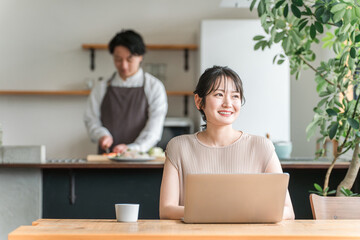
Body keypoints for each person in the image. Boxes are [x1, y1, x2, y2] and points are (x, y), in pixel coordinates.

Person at [159, 66, 295, 220]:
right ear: (199, 101)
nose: (228, 103)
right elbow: (166, 210)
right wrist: (226, 213)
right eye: (219, 94)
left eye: (235, 96)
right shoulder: (178, 147)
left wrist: (234, 213)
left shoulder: (262, 147)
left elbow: (288, 212)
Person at [84, 30, 168, 154]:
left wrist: (134, 148)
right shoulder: (101, 88)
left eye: (129, 59)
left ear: (140, 57)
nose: (123, 66)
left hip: (141, 158)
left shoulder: (154, 86)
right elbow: (91, 120)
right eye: (118, 59)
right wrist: (102, 135)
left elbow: (154, 129)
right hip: (106, 158)